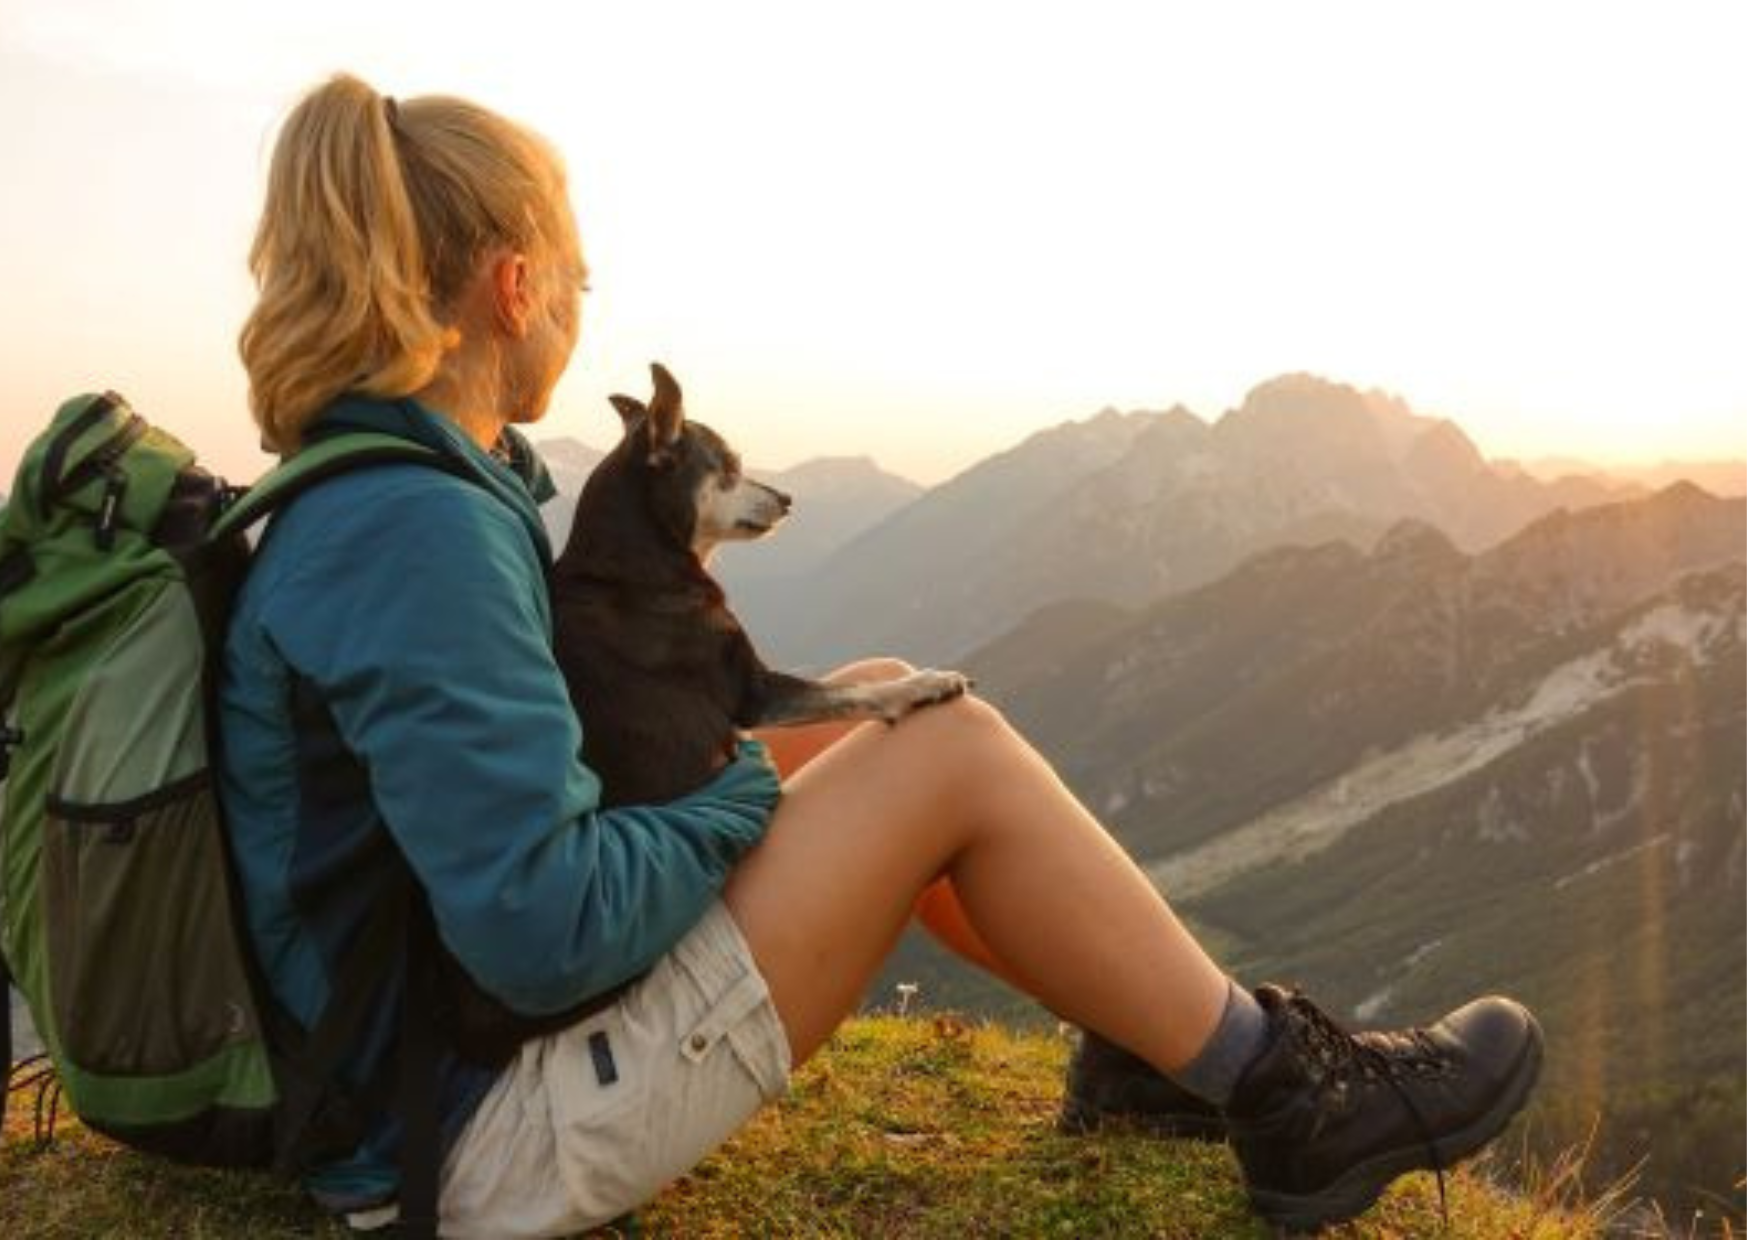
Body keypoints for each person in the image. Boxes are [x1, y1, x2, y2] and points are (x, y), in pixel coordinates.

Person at [219, 73, 1543, 1238]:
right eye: (574, 278)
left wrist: (766, 751)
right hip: (469, 1149)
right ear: (515, 287)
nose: (578, 302)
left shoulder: (392, 486)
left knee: (879, 689)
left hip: (429, 1072)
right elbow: (540, 932)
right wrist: (741, 790)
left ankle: (1153, 1048)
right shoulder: (418, 532)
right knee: (941, 750)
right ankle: (1287, 1096)